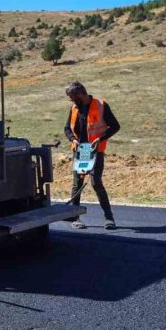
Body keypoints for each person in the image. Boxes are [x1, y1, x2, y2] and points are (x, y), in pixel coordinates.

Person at [64, 81, 120, 230]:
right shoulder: (74, 108)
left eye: (72, 96)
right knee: (78, 184)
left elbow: (115, 126)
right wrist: (73, 139)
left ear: (81, 94)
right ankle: (75, 218)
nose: (71, 100)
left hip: (95, 150)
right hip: (81, 151)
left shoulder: (101, 105)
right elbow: (67, 129)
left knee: (96, 183)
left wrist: (100, 139)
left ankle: (109, 218)